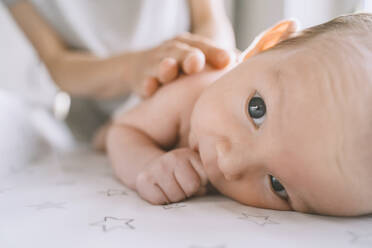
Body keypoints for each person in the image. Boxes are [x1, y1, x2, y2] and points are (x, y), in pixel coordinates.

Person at [105, 13, 372, 216]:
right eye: (256, 110)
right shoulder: (190, 88)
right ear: (264, 46)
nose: (229, 164)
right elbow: (122, 131)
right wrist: (148, 164)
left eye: (277, 185)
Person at [4, 0, 235, 139]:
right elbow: (58, 64)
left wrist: (202, 70)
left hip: (192, 84)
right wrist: (132, 69)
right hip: (102, 120)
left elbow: (210, 20)